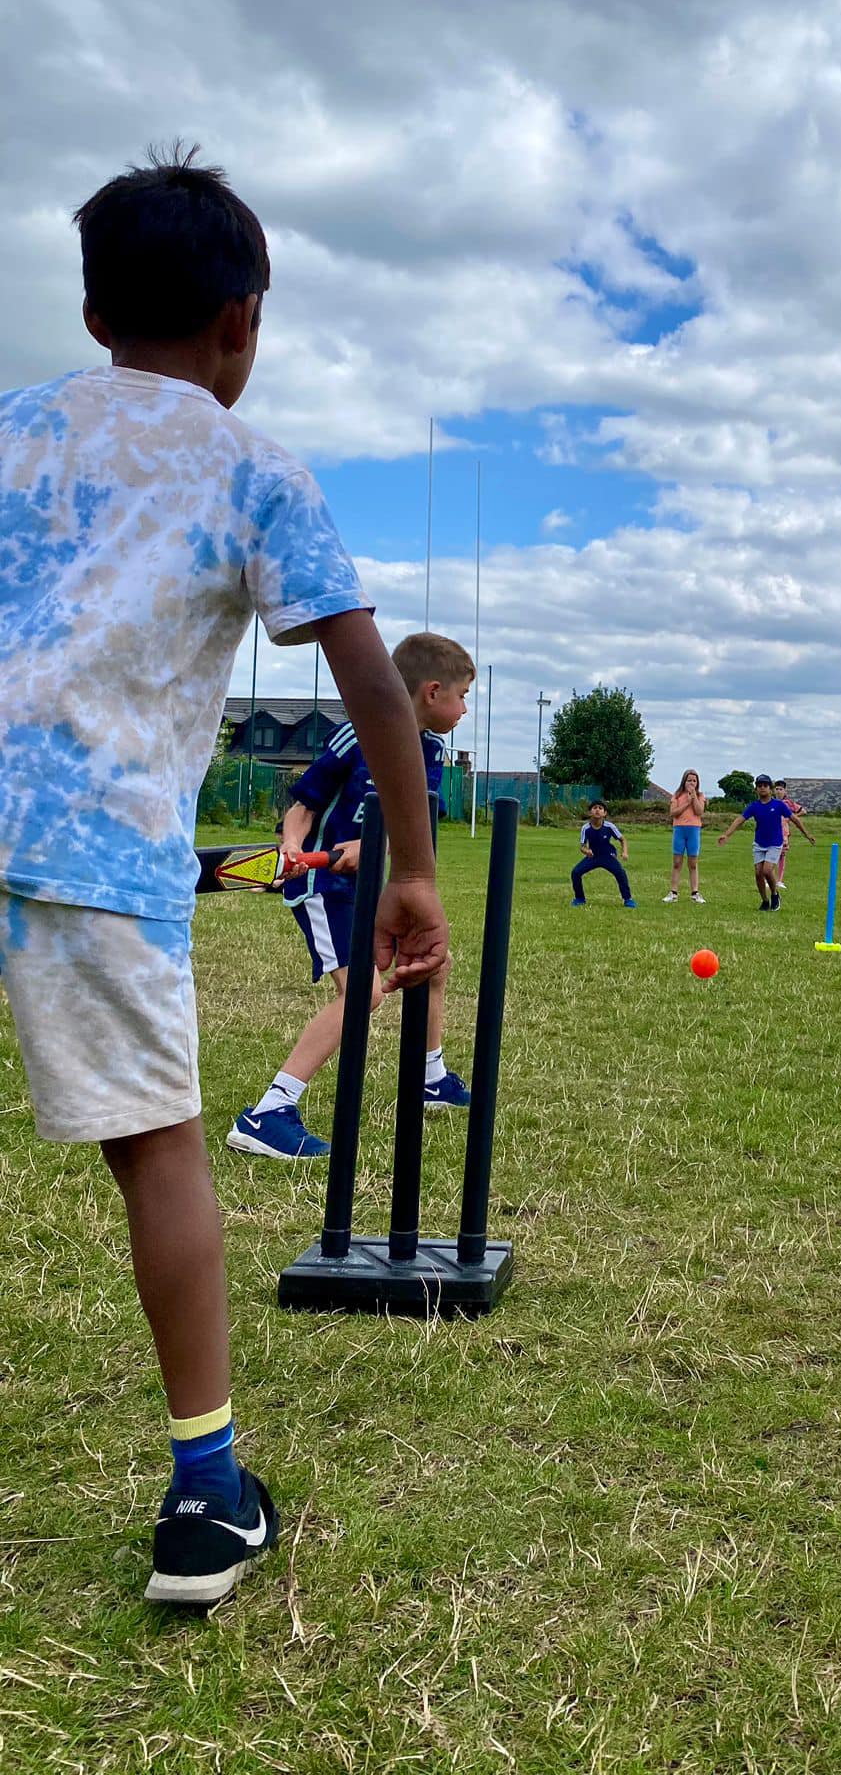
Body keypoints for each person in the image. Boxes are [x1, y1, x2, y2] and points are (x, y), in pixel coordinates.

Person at [0, 148, 448, 1606]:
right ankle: (205, 1493)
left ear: (91, 312)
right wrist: (412, 868)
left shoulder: (11, 429)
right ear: (243, 321)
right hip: (93, 842)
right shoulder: (253, 467)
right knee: (160, 1152)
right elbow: (373, 683)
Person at [229, 632, 474, 1159]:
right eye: (462, 696)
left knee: (436, 965)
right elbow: (304, 806)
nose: (464, 709)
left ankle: (429, 1078)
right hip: (321, 886)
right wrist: (292, 847)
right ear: (432, 691)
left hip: (369, 890)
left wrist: (373, 844)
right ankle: (268, 1112)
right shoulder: (356, 737)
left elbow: (413, 827)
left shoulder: (429, 752)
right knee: (365, 994)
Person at [718, 774, 814, 909]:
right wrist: (726, 835)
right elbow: (740, 820)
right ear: (756, 789)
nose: (762, 788)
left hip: (775, 843)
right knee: (758, 873)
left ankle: (775, 894)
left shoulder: (779, 805)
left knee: (767, 870)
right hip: (759, 843)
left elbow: (795, 819)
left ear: (770, 789)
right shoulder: (754, 806)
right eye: (759, 786)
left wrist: (807, 834)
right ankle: (764, 900)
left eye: (765, 785)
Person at [571, 802, 637, 907]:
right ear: (590, 812)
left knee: (620, 873)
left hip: (608, 855)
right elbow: (582, 846)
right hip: (593, 857)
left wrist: (625, 852)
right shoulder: (585, 828)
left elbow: (622, 839)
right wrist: (586, 851)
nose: (597, 810)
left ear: (605, 813)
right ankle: (579, 899)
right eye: (594, 808)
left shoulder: (609, 826)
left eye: (600, 808)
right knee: (575, 872)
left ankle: (628, 899)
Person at [664, 769, 706, 903]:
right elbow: (673, 813)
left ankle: (695, 892)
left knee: (693, 863)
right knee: (677, 862)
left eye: (694, 781)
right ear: (684, 781)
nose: (692, 783)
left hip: (694, 830)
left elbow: (699, 811)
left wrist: (693, 798)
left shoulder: (700, 795)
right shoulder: (677, 795)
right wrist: (687, 802)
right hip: (679, 829)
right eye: (689, 780)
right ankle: (673, 892)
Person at [772, 779, 805, 891]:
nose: (778, 791)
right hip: (771, 831)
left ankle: (780, 881)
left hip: (784, 833)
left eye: (781, 789)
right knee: (770, 855)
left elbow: (803, 811)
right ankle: (770, 879)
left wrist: (791, 818)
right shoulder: (771, 802)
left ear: (785, 791)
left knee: (782, 856)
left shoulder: (788, 803)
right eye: (777, 789)